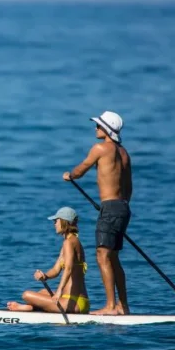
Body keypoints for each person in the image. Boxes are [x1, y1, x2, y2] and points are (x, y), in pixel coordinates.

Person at [62, 111, 132, 315]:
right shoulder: (124, 153)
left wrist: (69, 175)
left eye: (99, 126)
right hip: (123, 207)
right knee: (114, 257)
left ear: (107, 129)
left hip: (110, 208)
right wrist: (120, 206)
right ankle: (122, 306)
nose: (96, 128)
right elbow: (129, 186)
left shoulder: (100, 148)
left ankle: (110, 306)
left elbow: (81, 169)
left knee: (102, 256)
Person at [6, 206, 90, 314]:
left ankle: (29, 308)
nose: (54, 224)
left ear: (64, 222)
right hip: (77, 300)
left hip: (73, 303)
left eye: (56, 221)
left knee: (26, 295)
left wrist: (59, 291)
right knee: (43, 292)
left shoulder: (68, 243)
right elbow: (56, 270)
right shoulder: (71, 241)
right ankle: (30, 308)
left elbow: (68, 268)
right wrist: (44, 276)